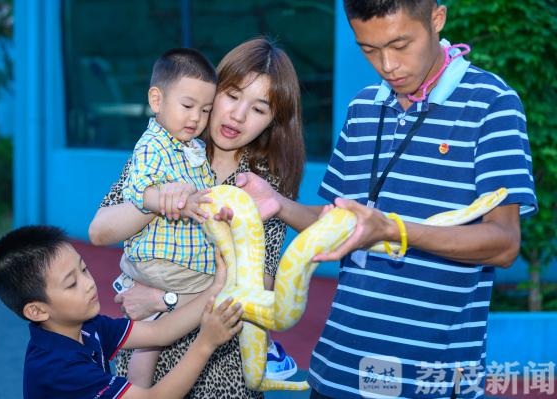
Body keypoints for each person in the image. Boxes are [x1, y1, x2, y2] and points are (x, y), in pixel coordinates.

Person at [234, 1, 537, 398]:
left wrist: (393, 230)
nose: (387, 65)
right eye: (369, 50)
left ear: (437, 18)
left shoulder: (492, 103)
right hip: (335, 374)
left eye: (400, 45)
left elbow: (503, 243)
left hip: (427, 384)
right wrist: (278, 204)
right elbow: (339, 223)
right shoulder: (363, 106)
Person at [88, 37, 305, 398]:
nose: (237, 115)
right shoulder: (165, 147)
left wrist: (166, 300)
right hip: (146, 364)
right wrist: (161, 200)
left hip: (222, 374)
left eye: (258, 109)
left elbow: (256, 291)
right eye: (232, 95)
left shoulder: (263, 186)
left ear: (272, 121)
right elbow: (99, 231)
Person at [0, 225, 243, 399]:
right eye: (71, 283)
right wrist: (205, 343)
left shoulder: (87, 325)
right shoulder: (58, 368)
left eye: (83, 269)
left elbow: (159, 332)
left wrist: (215, 287)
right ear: (37, 310)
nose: (88, 284)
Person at [117, 48, 220, 388]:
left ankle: (138, 391)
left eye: (205, 110)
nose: (196, 118)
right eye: (188, 106)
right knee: (223, 285)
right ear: (157, 99)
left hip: (172, 259)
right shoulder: (153, 144)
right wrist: (169, 200)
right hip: (163, 260)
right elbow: (138, 192)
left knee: (149, 342)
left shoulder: (189, 146)